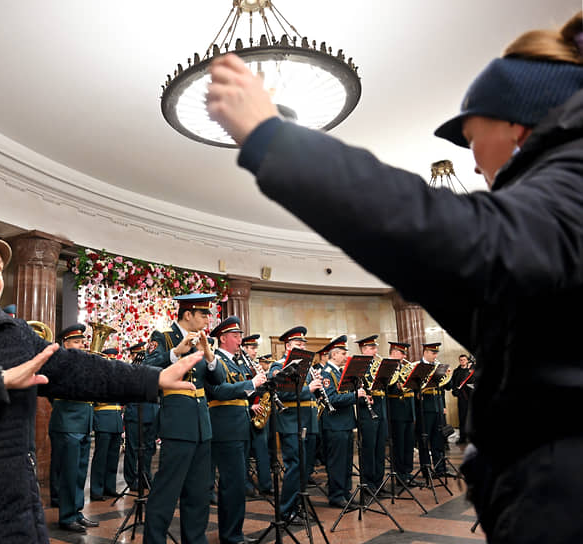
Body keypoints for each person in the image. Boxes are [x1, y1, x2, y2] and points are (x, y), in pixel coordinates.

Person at [207, 11, 583, 541]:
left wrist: (273, 140)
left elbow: (463, 244)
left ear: (516, 125)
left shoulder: (573, 173)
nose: (474, 166)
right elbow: (492, 302)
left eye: (472, 138)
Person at [0, 227, 203, 544]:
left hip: (14, 507)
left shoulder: (15, 333)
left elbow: (79, 370)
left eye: (0, 267)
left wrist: (154, 378)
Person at [143, 294, 225, 544]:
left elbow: (218, 381)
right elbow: (147, 368)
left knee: (199, 492)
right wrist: (176, 353)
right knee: (166, 491)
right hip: (177, 423)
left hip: (202, 425)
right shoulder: (163, 337)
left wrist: (209, 355)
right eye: (203, 315)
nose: (206, 320)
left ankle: (195, 539)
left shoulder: (206, 340)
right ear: (187, 314)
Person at [206, 317, 265, 544]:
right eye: (236, 336)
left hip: (240, 425)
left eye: (240, 335)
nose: (240, 340)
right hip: (225, 427)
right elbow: (218, 390)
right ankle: (230, 536)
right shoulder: (214, 360)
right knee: (232, 484)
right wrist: (252, 384)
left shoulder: (239, 362)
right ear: (223, 338)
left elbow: (239, 392)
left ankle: (235, 533)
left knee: (239, 483)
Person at [267, 326, 322, 518]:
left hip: (307, 420)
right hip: (290, 421)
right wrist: (310, 390)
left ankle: (297, 505)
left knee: (305, 467)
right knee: (294, 466)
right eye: (298, 344)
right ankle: (286, 510)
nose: (302, 347)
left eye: (303, 344)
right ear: (287, 346)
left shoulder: (306, 367)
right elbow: (280, 392)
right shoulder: (278, 366)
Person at [46, 323, 97, 532]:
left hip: (83, 422)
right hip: (67, 422)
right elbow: (51, 392)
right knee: (67, 473)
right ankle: (66, 516)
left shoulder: (86, 363)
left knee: (79, 472)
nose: (81, 345)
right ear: (64, 343)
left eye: (81, 341)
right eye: (76, 342)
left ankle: (76, 511)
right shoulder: (58, 363)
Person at [320, 335, 368, 508]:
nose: (345, 357)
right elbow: (331, 399)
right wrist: (355, 396)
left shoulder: (341, 373)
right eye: (342, 353)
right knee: (337, 463)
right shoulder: (327, 374)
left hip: (346, 423)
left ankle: (345, 492)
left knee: (347, 461)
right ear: (333, 355)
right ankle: (336, 495)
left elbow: (347, 397)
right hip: (335, 425)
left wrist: (361, 397)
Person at [122, 342, 160, 491]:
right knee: (132, 449)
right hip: (135, 414)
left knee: (149, 448)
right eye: (138, 355)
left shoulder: (151, 369)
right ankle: (131, 479)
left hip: (151, 413)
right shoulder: (128, 371)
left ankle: (145, 476)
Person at [89, 348, 124, 501]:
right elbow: (97, 399)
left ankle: (110, 487)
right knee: (101, 457)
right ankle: (97, 490)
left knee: (113, 457)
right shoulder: (98, 379)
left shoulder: (117, 380)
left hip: (116, 420)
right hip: (103, 419)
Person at [356, 335, 388, 493]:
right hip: (366, 411)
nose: (375, 351)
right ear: (363, 349)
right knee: (369, 448)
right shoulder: (358, 367)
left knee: (380, 447)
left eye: (375, 347)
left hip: (380, 408)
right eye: (371, 348)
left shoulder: (378, 365)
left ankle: (379, 481)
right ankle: (368, 483)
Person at [242, 334, 273, 497]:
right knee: (245, 452)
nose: (255, 352)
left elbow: (260, 388)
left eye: (255, 348)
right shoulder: (241, 365)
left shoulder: (255, 366)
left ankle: (265, 484)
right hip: (247, 410)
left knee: (262, 450)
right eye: (252, 348)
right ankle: (247, 484)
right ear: (244, 349)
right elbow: (241, 388)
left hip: (260, 411)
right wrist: (250, 405)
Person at [414, 343, 446, 480]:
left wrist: (446, 375)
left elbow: (445, 387)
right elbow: (414, 386)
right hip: (424, 409)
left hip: (437, 407)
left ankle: (441, 468)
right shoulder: (418, 367)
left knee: (438, 439)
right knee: (424, 440)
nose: (435, 356)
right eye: (433, 353)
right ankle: (426, 469)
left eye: (436, 353)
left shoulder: (437, 366)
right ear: (426, 352)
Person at [386, 341, 415, 484]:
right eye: (402, 353)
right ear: (394, 352)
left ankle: (407, 472)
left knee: (409, 443)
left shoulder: (405, 367)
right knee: (399, 444)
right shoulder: (387, 367)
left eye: (404, 353)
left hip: (408, 409)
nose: (404, 356)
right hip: (396, 409)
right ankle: (399, 475)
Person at [451, 354, 474, 444]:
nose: (462, 361)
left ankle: (472, 437)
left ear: (467, 360)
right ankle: (462, 437)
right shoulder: (456, 371)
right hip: (462, 398)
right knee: (462, 417)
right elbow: (453, 383)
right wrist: (455, 391)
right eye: (461, 360)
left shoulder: (471, 371)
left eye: (464, 360)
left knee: (472, 417)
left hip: (471, 397)